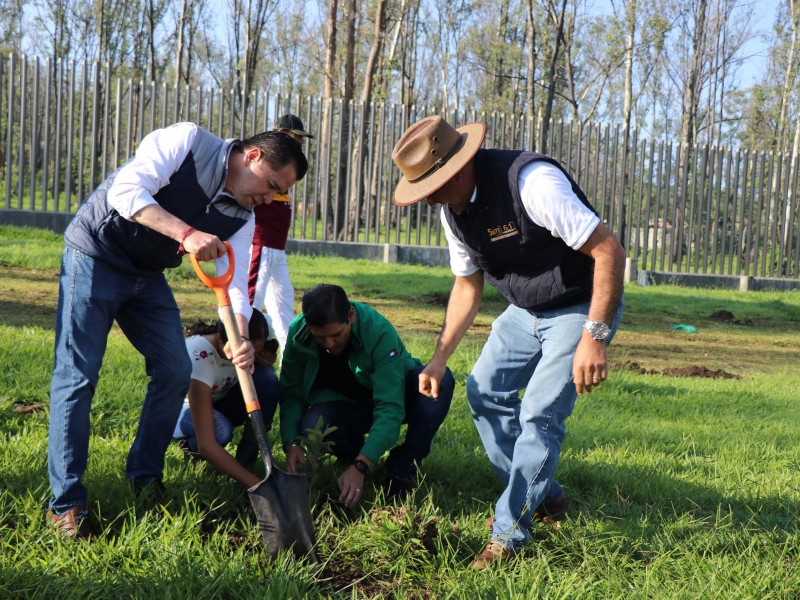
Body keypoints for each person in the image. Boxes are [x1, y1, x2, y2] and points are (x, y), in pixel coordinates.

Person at [47, 121, 308, 539]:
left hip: (147, 274)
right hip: (96, 253)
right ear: (253, 156)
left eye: (279, 194)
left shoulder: (244, 217)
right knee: (77, 377)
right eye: (271, 185)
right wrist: (186, 233)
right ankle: (67, 504)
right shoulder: (188, 142)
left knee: (172, 370)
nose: (269, 198)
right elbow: (126, 192)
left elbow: (235, 288)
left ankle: (144, 478)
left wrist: (238, 335)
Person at [391, 116, 625, 569]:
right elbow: (466, 285)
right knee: (484, 392)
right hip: (526, 309)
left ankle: (509, 533)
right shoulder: (453, 211)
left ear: (456, 171)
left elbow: (608, 251)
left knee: (539, 414)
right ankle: (546, 496)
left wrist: (594, 337)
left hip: (580, 304)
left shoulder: (534, 183)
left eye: (431, 187)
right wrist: (439, 360)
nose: (428, 199)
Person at [278, 283, 454, 507]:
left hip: (394, 394)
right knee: (313, 425)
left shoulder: (377, 330)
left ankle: (401, 470)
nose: (329, 344)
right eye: (320, 338)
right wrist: (291, 443)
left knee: (441, 383)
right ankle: (351, 457)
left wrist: (363, 464)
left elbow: (390, 406)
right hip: (347, 405)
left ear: (350, 316)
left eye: (336, 335)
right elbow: (291, 394)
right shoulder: (298, 334)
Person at [172, 309, 279, 488]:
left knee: (267, 379)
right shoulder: (199, 356)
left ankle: (247, 459)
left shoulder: (252, 336)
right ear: (221, 339)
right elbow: (207, 443)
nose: (248, 357)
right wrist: (256, 485)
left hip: (219, 400)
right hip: (180, 410)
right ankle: (192, 449)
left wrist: (267, 355)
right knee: (219, 431)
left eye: (254, 351)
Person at [248, 114, 313, 350]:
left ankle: (289, 359)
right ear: (282, 134)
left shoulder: (285, 169)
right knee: (249, 301)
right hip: (260, 245)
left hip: (276, 249)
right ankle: (239, 347)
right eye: (297, 137)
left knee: (283, 305)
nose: (301, 143)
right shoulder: (267, 166)